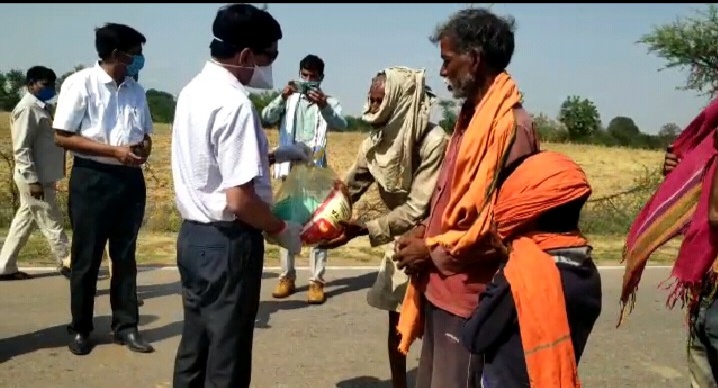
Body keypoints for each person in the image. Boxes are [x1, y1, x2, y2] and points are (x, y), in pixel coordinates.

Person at [391, 8, 540, 387]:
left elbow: (502, 231)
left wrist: (430, 252)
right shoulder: (470, 119)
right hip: (441, 288)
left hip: (473, 299)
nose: (443, 72)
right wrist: (423, 231)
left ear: (473, 59)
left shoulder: (511, 128)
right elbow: (452, 201)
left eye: (447, 60)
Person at [170, 5, 303, 388]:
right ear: (246, 55)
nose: (270, 67)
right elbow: (239, 200)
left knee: (196, 346)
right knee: (227, 354)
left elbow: (210, 161)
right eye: (270, 56)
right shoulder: (234, 104)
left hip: (193, 238)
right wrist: (281, 229)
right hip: (227, 244)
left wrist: (273, 154)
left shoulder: (193, 90)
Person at [318, 67, 448, 388]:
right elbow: (350, 187)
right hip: (400, 241)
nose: (372, 107)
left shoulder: (433, 142)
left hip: (436, 242)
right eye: (371, 99)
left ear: (400, 102)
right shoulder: (375, 142)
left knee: (439, 328)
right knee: (398, 327)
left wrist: (362, 229)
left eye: (380, 101)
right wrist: (315, 217)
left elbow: (418, 207)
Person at [52, 22, 153, 356]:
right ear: (116, 54)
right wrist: (113, 151)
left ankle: (126, 326)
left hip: (129, 180)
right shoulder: (80, 84)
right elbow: (62, 135)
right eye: (135, 54)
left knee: (125, 256)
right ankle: (81, 328)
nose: (140, 59)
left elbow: (146, 132)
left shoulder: (137, 90)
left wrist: (143, 148)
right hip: (92, 178)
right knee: (87, 257)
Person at [460, 150, 602, 387]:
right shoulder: (586, 270)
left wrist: (506, 267)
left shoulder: (521, 276)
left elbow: (474, 337)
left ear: (522, 215)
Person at [619, 99, 718, 388]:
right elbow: (701, 210)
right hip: (706, 291)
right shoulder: (708, 148)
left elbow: (712, 215)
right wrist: (684, 170)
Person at [261, 54, 348, 304]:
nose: (308, 81)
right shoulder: (289, 99)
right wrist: (283, 96)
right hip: (290, 169)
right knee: (286, 223)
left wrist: (324, 106)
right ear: (299, 74)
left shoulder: (329, 102)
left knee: (319, 225)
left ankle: (316, 281)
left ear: (321, 78)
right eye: (305, 76)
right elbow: (267, 115)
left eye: (313, 77)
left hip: (315, 171)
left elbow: (340, 124)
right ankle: (286, 277)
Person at [0, 66, 71, 281]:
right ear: (31, 85)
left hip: (43, 176)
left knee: (24, 221)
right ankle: (69, 262)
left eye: (51, 84)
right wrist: (33, 180)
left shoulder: (43, 108)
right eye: (44, 84)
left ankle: (5, 266)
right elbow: (21, 147)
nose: (49, 88)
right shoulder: (28, 109)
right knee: (51, 220)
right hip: (34, 177)